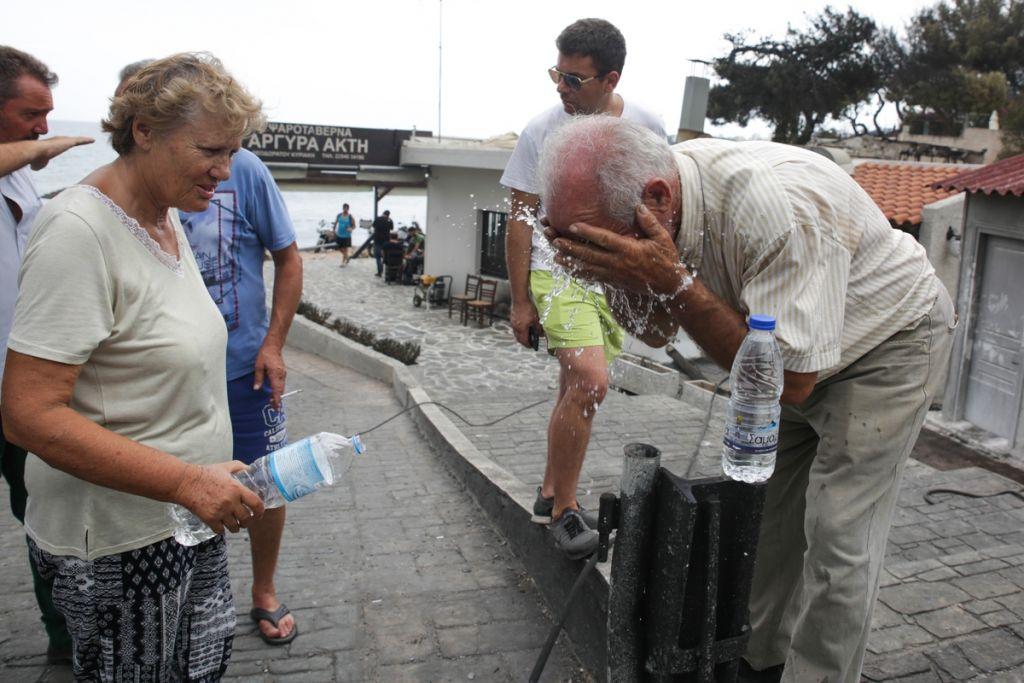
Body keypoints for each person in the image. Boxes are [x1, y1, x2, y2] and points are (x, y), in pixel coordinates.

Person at [540, 115, 956, 683]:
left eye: (591, 242)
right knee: (763, 528)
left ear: (656, 199)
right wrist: (619, 276)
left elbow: (790, 382)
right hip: (791, 355)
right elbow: (658, 332)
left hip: (888, 345)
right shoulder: (659, 209)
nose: (583, 255)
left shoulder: (775, 213)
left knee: (839, 540)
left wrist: (672, 281)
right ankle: (757, 665)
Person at [2, 53, 268, 680]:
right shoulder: (79, 230)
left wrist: (200, 477)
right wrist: (187, 481)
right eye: (209, 150)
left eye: (232, 152)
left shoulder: (164, 211)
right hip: (119, 541)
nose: (224, 171)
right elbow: (27, 414)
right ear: (143, 131)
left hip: (187, 520)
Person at [499, 18, 666, 559]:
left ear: (610, 80)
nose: (561, 88)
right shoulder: (540, 130)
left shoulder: (646, 125)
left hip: (613, 276)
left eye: (574, 79)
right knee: (592, 382)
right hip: (557, 270)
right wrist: (520, 302)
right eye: (557, 75)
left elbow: (662, 206)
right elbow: (519, 218)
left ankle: (550, 492)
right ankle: (566, 511)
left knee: (574, 384)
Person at [179, 146, 303, 644]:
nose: (222, 161)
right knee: (178, 484)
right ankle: (183, 596)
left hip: (246, 369)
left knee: (266, 484)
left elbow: (289, 258)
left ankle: (264, 589)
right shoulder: (146, 173)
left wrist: (273, 344)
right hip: (176, 376)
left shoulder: (245, 169)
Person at [0, 45, 93, 665]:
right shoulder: (25, 158)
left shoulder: (20, 175)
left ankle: (66, 638)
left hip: (18, 385)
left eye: (49, 116)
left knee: (42, 512)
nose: (43, 128)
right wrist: (44, 150)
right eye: (31, 115)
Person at [371, 209, 394, 277]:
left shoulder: (378, 218)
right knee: (386, 256)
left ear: (383, 213)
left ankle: (379, 272)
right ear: (388, 215)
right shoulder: (390, 220)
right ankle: (387, 271)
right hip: (386, 240)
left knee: (378, 257)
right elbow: (392, 228)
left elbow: (373, 226)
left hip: (377, 240)